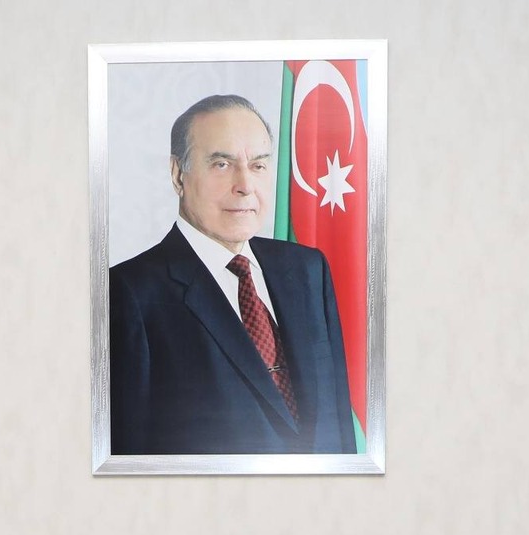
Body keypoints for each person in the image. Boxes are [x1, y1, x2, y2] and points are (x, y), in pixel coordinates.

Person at [109, 94, 356, 456]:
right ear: (178, 175)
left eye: (258, 165)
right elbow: (128, 460)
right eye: (222, 164)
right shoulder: (128, 294)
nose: (245, 185)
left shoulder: (308, 270)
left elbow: (339, 429)